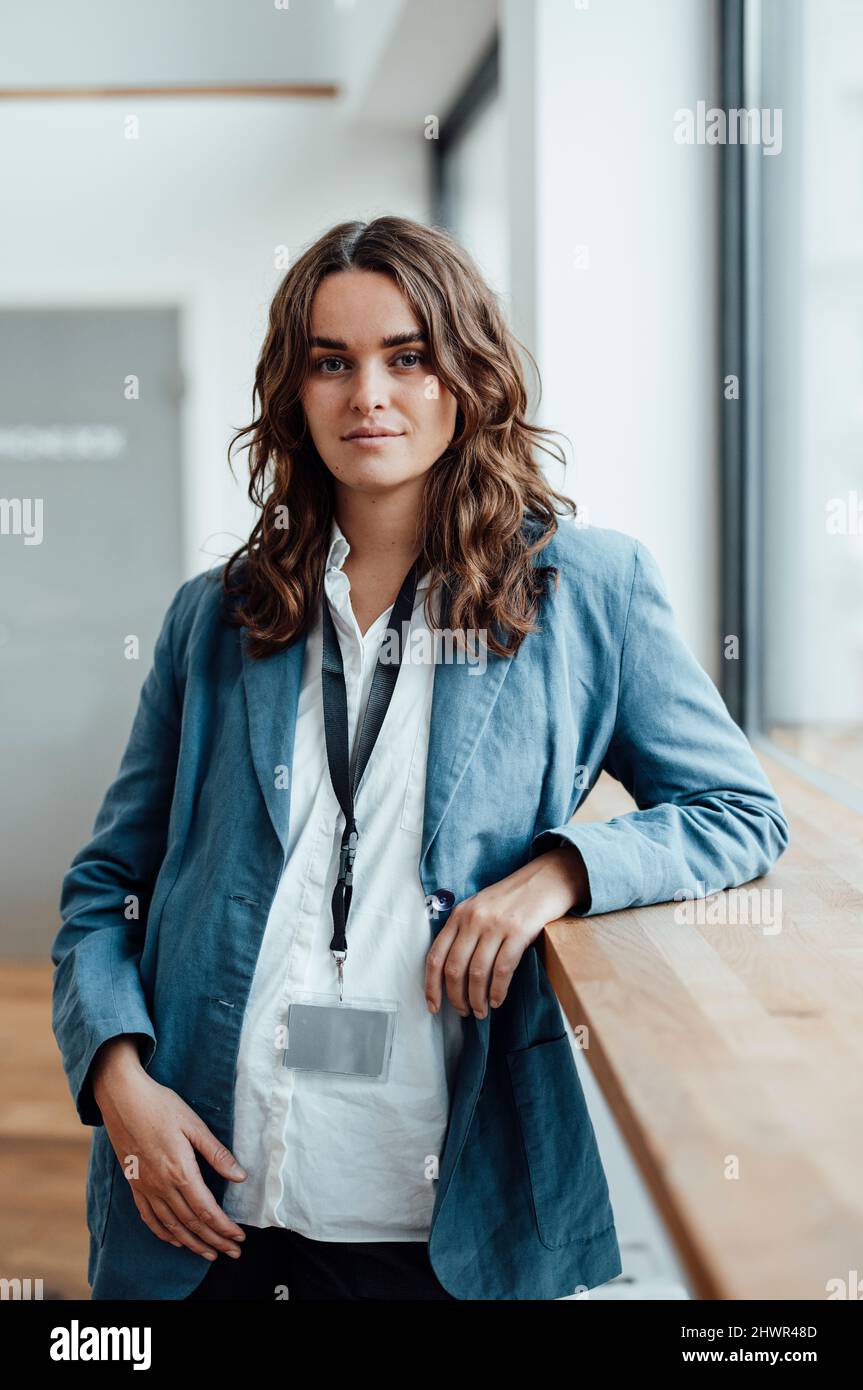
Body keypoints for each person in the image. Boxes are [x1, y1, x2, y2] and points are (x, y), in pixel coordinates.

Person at [51, 215, 790, 1301]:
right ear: (293, 395)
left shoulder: (588, 591)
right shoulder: (215, 618)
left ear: (467, 369)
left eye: (407, 355)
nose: (369, 396)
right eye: (330, 363)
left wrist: (560, 873)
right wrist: (118, 1081)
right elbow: (104, 890)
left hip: (449, 1221)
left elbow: (738, 809)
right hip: (206, 1192)